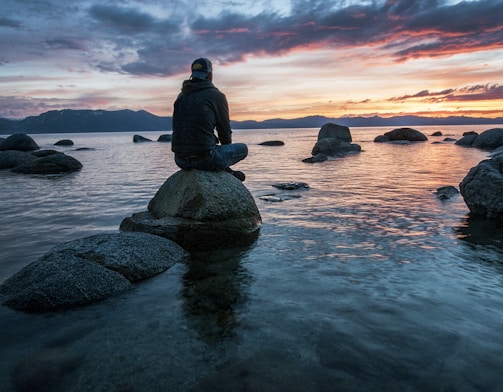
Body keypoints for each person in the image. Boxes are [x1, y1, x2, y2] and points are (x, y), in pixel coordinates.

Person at [171, 57, 248, 181]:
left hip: (180, 160)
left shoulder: (181, 96)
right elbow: (224, 129)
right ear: (210, 75)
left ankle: (226, 170)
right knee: (243, 149)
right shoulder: (216, 96)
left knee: (210, 149)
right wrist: (225, 152)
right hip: (205, 159)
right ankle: (226, 171)